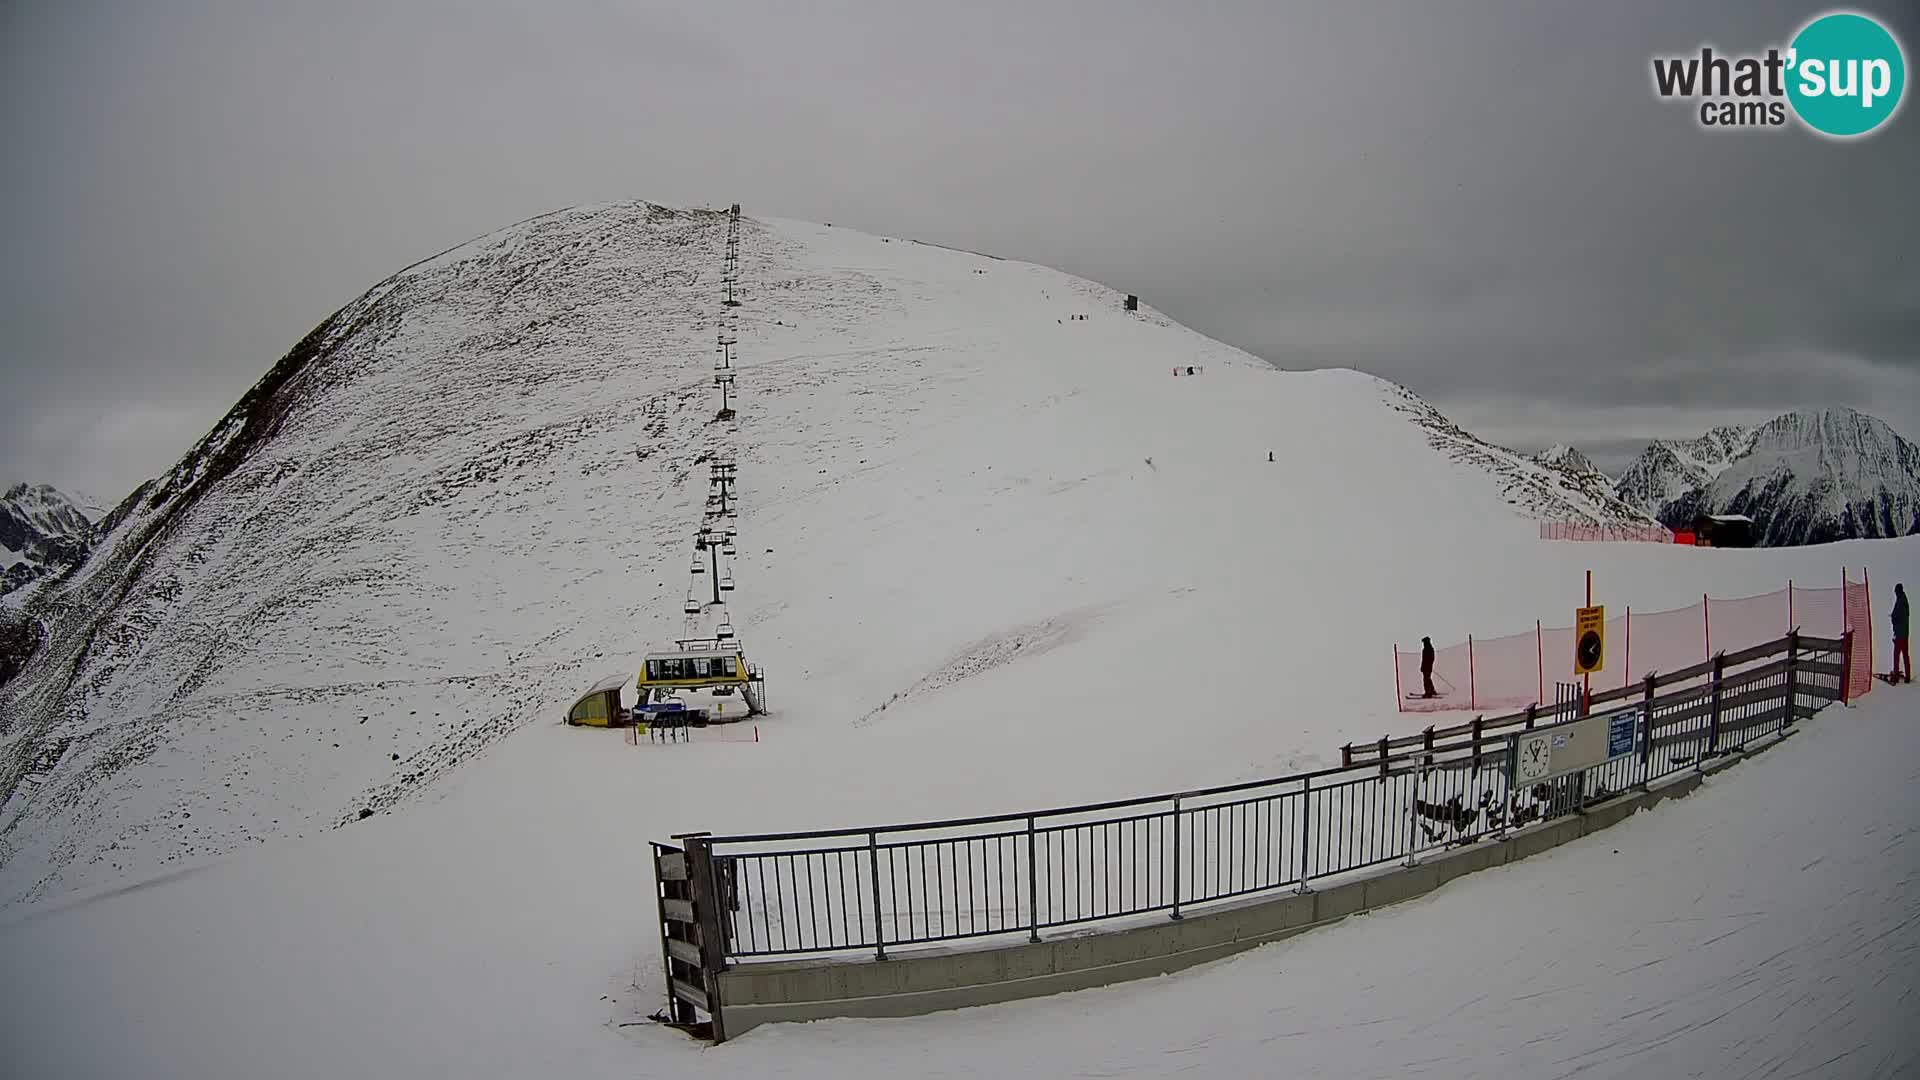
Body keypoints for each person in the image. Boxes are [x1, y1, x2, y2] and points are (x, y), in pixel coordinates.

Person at [1893, 583, 1911, 684]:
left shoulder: (1900, 601)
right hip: (1905, 633)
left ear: (1897, 591)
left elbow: (1896, 616)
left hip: (1900, 634)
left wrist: (1892, 618)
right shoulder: (1904, 600)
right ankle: (1907, 676)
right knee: (1905, 655)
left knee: (1896, 654)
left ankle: (1895, 676)